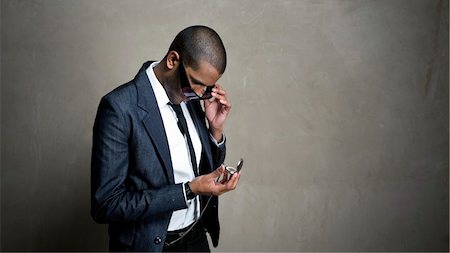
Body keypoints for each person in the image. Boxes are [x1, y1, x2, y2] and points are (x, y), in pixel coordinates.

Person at [90, 25, 240, 252]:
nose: (200, 95)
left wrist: (215, 130)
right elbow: (107, 204)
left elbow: (203, 166)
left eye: (207, 88)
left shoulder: (188, 96)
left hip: (196, 239)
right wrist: (188, 190)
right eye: (196, 83)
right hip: (151, 246)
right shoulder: (119, 107)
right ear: (173, 60)